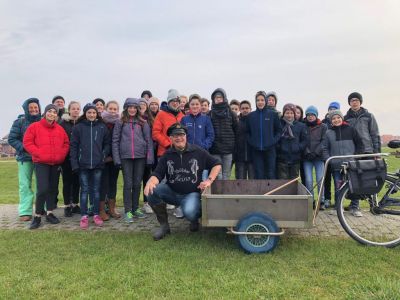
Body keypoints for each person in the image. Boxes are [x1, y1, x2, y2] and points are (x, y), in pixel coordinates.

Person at [144, 123, 222, 240]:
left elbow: (217, 163)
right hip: (172, 192)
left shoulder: (198, 151)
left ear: (186, 136)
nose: (178, 138)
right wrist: (151, 181)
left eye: (181, 135)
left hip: (191, 194)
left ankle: (194, 220)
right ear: (170, 138)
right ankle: (164, 227)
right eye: (175, 135)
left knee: (190, 212)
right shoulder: (167, 155)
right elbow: (158, 173)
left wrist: (209, 180)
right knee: (152, 191)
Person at [23, 104, 70, 229]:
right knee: (42, 189)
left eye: (54, 112)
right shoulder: (34, 127)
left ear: (56, 115)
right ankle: (37, 216)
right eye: (49, 111)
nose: (52, 114)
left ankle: (50, 213)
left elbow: (66, 143)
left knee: (52, 189)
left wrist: (61, 155)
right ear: (45, 113)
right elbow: (27, 142)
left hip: (56, 163)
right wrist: (38, 153)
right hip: (41, 163)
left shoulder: (60, 129)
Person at [113, 98, 154, 223]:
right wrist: (117, 158)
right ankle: (128, 211)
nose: (132, 109)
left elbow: (148, 141)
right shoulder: (120, 122)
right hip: (125, 157)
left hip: (140, 157)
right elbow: (115, 140)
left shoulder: (143, 122)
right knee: (128, 184)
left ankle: (136, 208)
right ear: (126, 108)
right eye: (130, 107)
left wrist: (149, 157)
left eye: (134, 107)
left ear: (137, 109)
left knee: (137, 184)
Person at [70, 103, 111, 229]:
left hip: (98, 164)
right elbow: (74, 147)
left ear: (96, 114)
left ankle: (96, 214)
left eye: (94, 113)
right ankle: (84, 216)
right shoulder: (78, 128)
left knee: (96, 191)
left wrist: (103, 156)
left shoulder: (102, 127)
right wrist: (75, 163)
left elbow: (107, 144)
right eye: (89, 113)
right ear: (85, 114)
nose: (92, 115)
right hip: (83, 165)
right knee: (85, 190)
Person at [344, 92, 381, 216]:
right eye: (352, 100)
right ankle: (355, 206)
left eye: (356, 100)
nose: (354, 102)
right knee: (354, 179)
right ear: (349, 103)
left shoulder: (369, 116)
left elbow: (375, 135)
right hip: (354, 152)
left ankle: (373, 205)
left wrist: (376, 152)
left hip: (367, 151)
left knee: (369, 179)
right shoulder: (346, 118)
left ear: (360, 102)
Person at [8, 98, 42, 221]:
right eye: (31, 107)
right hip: (24, 158)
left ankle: (41, 208)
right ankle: (25, 211)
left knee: (42, 185)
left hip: (40, 159)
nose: (34, 109)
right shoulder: (19, 122)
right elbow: (12, 139)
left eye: (36, 107)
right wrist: (25, 148)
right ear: (26, 109)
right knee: (25, 185)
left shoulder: (43, 121)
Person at [322, 109, 361, 216]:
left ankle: (355, 207)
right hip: (336, 166)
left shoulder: (351, 129)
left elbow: (359, 144)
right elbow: (324, 148)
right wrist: (329, 160)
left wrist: (355, 158)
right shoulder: (328, 132)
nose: (336, 120)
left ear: (342, 118)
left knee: (353, 185)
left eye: (338, 117)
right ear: (331, 121)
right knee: (338, 186)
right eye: (333, 118)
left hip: (351, 164)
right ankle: (338, 207)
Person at [246, 91, 281, 179]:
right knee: (259, 174)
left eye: (262, 100)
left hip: (270, 150)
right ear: (255, 102)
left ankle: (271, 193)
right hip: (256, 150)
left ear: (265, 101)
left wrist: (273, 141)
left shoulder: (273, 115)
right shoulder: (251, 116)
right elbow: (247, 132)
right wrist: (252, 142)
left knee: (270, 173)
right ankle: (260, 193)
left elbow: (279, 131)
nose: (260, 102)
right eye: (258, 100)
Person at [209, 88, 238, 180]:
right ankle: (217, 194)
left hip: (228, 149)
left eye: (220, 97)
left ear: (224, 98)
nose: (218, 99)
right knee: (218, 174)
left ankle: (224, 194)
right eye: (216, 97)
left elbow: (236, 129)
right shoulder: (210, 114)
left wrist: (233, 145)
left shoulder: (231, 113)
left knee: (226, 174)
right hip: (215, 149)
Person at [100, 100, 122, 219]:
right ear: (106, 109)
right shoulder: (101, 122)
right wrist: (105, 155)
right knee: (103, 184)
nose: (113, 111)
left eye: (115, 109)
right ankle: (102, 210)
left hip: (115, 159)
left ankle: (112, 209)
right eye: (111, 109)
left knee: (113, 184)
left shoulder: (119, 122)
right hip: (103, 159)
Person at [303, 106, 328, 209]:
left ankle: (321, 200)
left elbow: (324, 141)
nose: (310, 117)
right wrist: (307, 152)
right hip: (307, 158)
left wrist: (316, 152)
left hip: (318, 157)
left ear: (316, 115)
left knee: (319, 179)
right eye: (308, 115)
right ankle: (311, 200)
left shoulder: (323, 126)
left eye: (312, 115)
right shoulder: (303, 126)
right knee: (308, 180)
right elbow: (302, 141)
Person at [60, 101, 81, 217]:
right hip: (66, 158)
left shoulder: (82, 123)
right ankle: (67, 205)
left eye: (78, 109)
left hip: (79, 158)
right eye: (73, 108)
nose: (76, 111)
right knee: (67, 182)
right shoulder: (63, 124)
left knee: (77, 182)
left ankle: (75, 204)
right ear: (69, 110)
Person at [276, 103, 308, 179]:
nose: (289, 115)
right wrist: (280, 147)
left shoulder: (301, 126)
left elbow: (305, 140)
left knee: (294, 181)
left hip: (295, 158)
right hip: (282, 158)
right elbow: (276, 139)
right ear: (283, 114)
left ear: (294, 114)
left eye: (291, 113)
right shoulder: (279, 125)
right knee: (283, 181)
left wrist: (298, 147)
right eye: (287, 113)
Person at [152, 89, 185, 157]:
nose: (175, 103)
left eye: (177, 101)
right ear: (168, 102)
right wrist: (167, 145)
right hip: (164, 152)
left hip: (180, 152)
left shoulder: (182, 115)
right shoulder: (161, 114)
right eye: (172, 101)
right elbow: (155, 133)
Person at [321, 101, 341, 207]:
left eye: (334, 108)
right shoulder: (323, 123)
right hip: (328, 156)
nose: (332, 110)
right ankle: (327, 198)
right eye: (330, 109)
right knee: (327, 179)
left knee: (338, 180)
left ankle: (338, 201)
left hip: (338, 156)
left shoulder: (341, 122)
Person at [234, 100, 254, 179]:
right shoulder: (236, 122)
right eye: (243, 108)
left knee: (253, 181)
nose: (245, 110)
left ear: (250, 109)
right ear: (240, 109)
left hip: (252, 157)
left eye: (247, 108)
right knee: (240, 182)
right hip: (239, 157)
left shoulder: (254, 121)